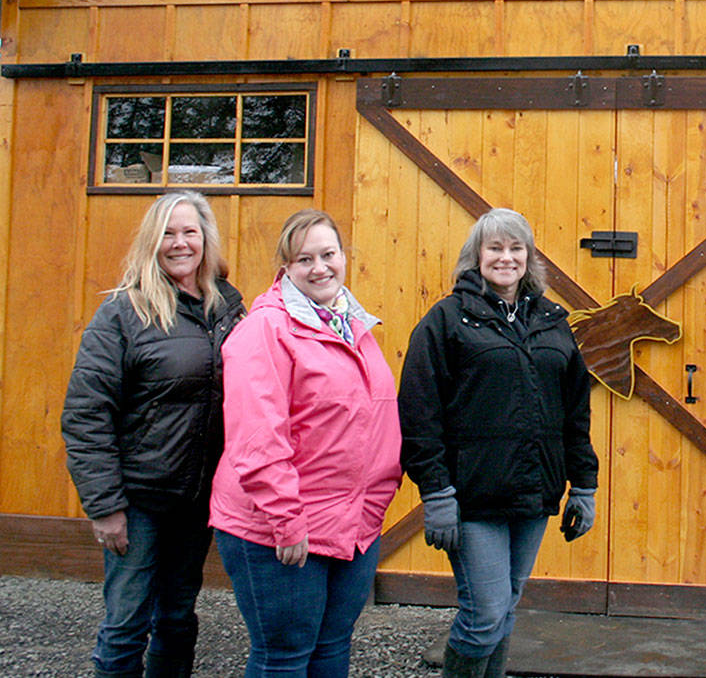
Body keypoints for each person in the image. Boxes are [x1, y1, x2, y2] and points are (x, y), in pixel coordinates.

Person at [398, 207, 599, 678]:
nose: (506, 258)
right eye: (495, 248)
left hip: (533, 494)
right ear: (476, 256)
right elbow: (419, 412)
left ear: (529, 258)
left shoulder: (551, 322)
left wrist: (584, 486)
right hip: (472, 498)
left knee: (505, 610)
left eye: (516, 248)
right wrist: (436, 492)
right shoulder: (447, 321)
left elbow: (575, 412)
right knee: (484, 614)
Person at [209, 209, 402, 677]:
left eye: (328, 254)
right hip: (280, 528)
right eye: (304, 259)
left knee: (332, 648)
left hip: (351, 525)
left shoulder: (352, 324)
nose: (320, 268)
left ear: (343, 257)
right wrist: (286, 519)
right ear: (285, 268)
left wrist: (374, 504)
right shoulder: (265, 330)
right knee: (285, 657)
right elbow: (258, 435)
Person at [62, 191, 245, 678]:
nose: (180, 243)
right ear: (151, 241)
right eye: (168, 232)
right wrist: (105, 506)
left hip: (197, 498)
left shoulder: (227, 308)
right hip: (138, 499)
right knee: (126, 624)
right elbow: (86, 413)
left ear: (206, 239)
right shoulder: (124, 313)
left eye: (190, 232)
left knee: (178, 618)